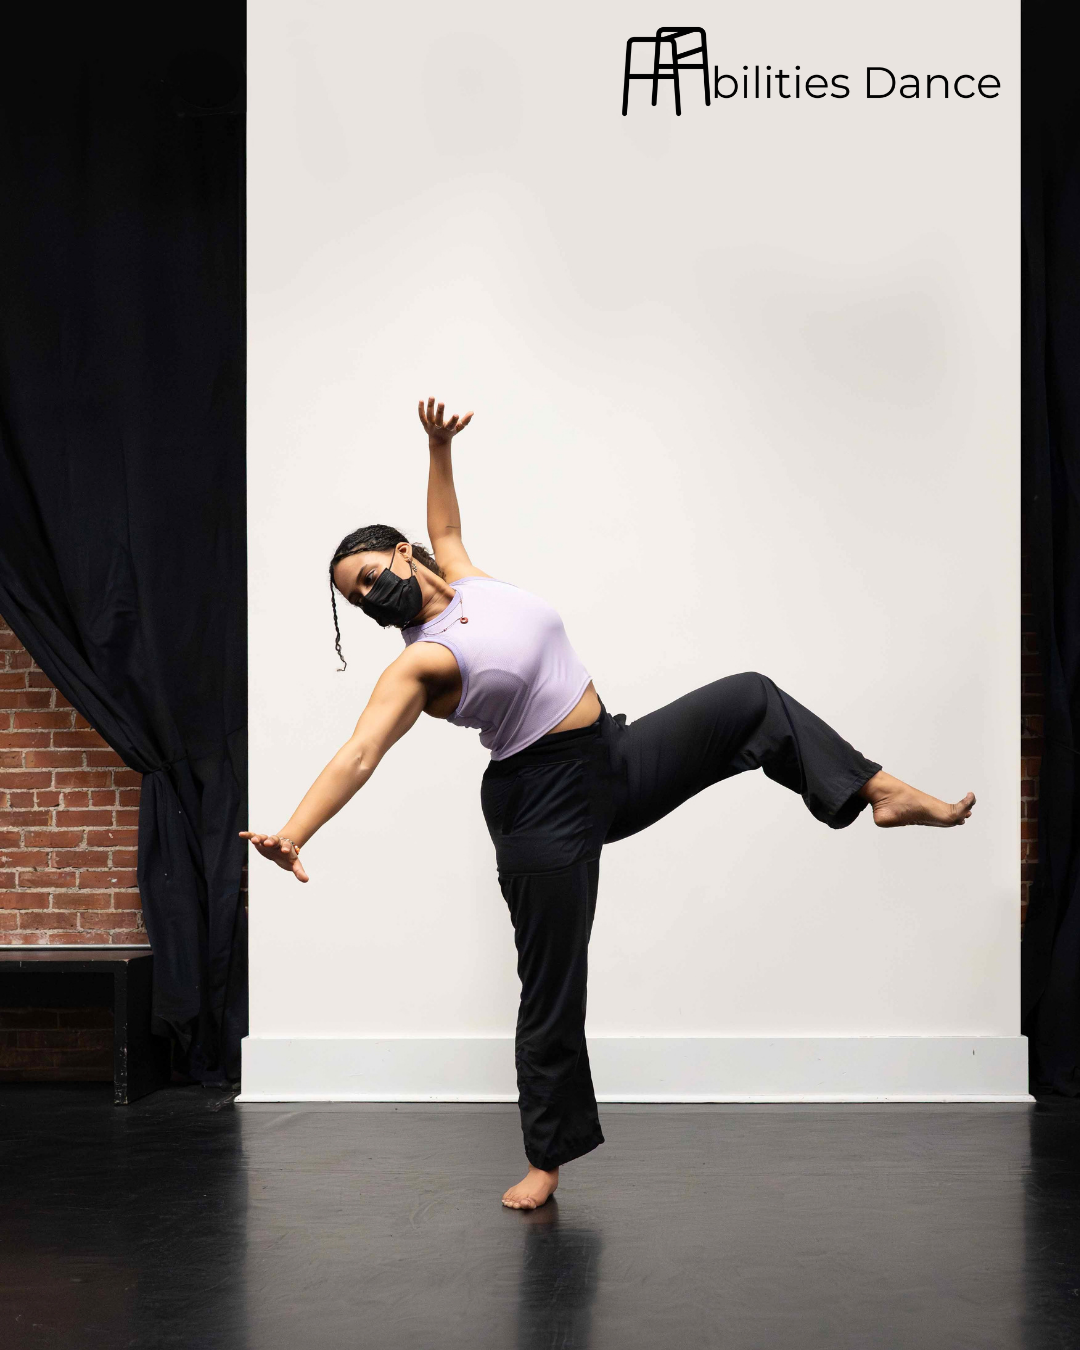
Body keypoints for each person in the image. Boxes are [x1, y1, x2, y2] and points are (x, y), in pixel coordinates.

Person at [241, 397, 976, 1211]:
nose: (371, 596)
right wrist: (294, 832)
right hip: (538, 803)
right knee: (552, 987)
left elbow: (445, 525)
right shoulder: (418, 665)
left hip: (607, 759)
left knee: (750, 698)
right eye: (357, 599)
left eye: (369, 577)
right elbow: (359, 753)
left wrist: (438, 447)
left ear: (403, 554)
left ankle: (878, 792)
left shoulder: (468, 578)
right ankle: (545, 1160)